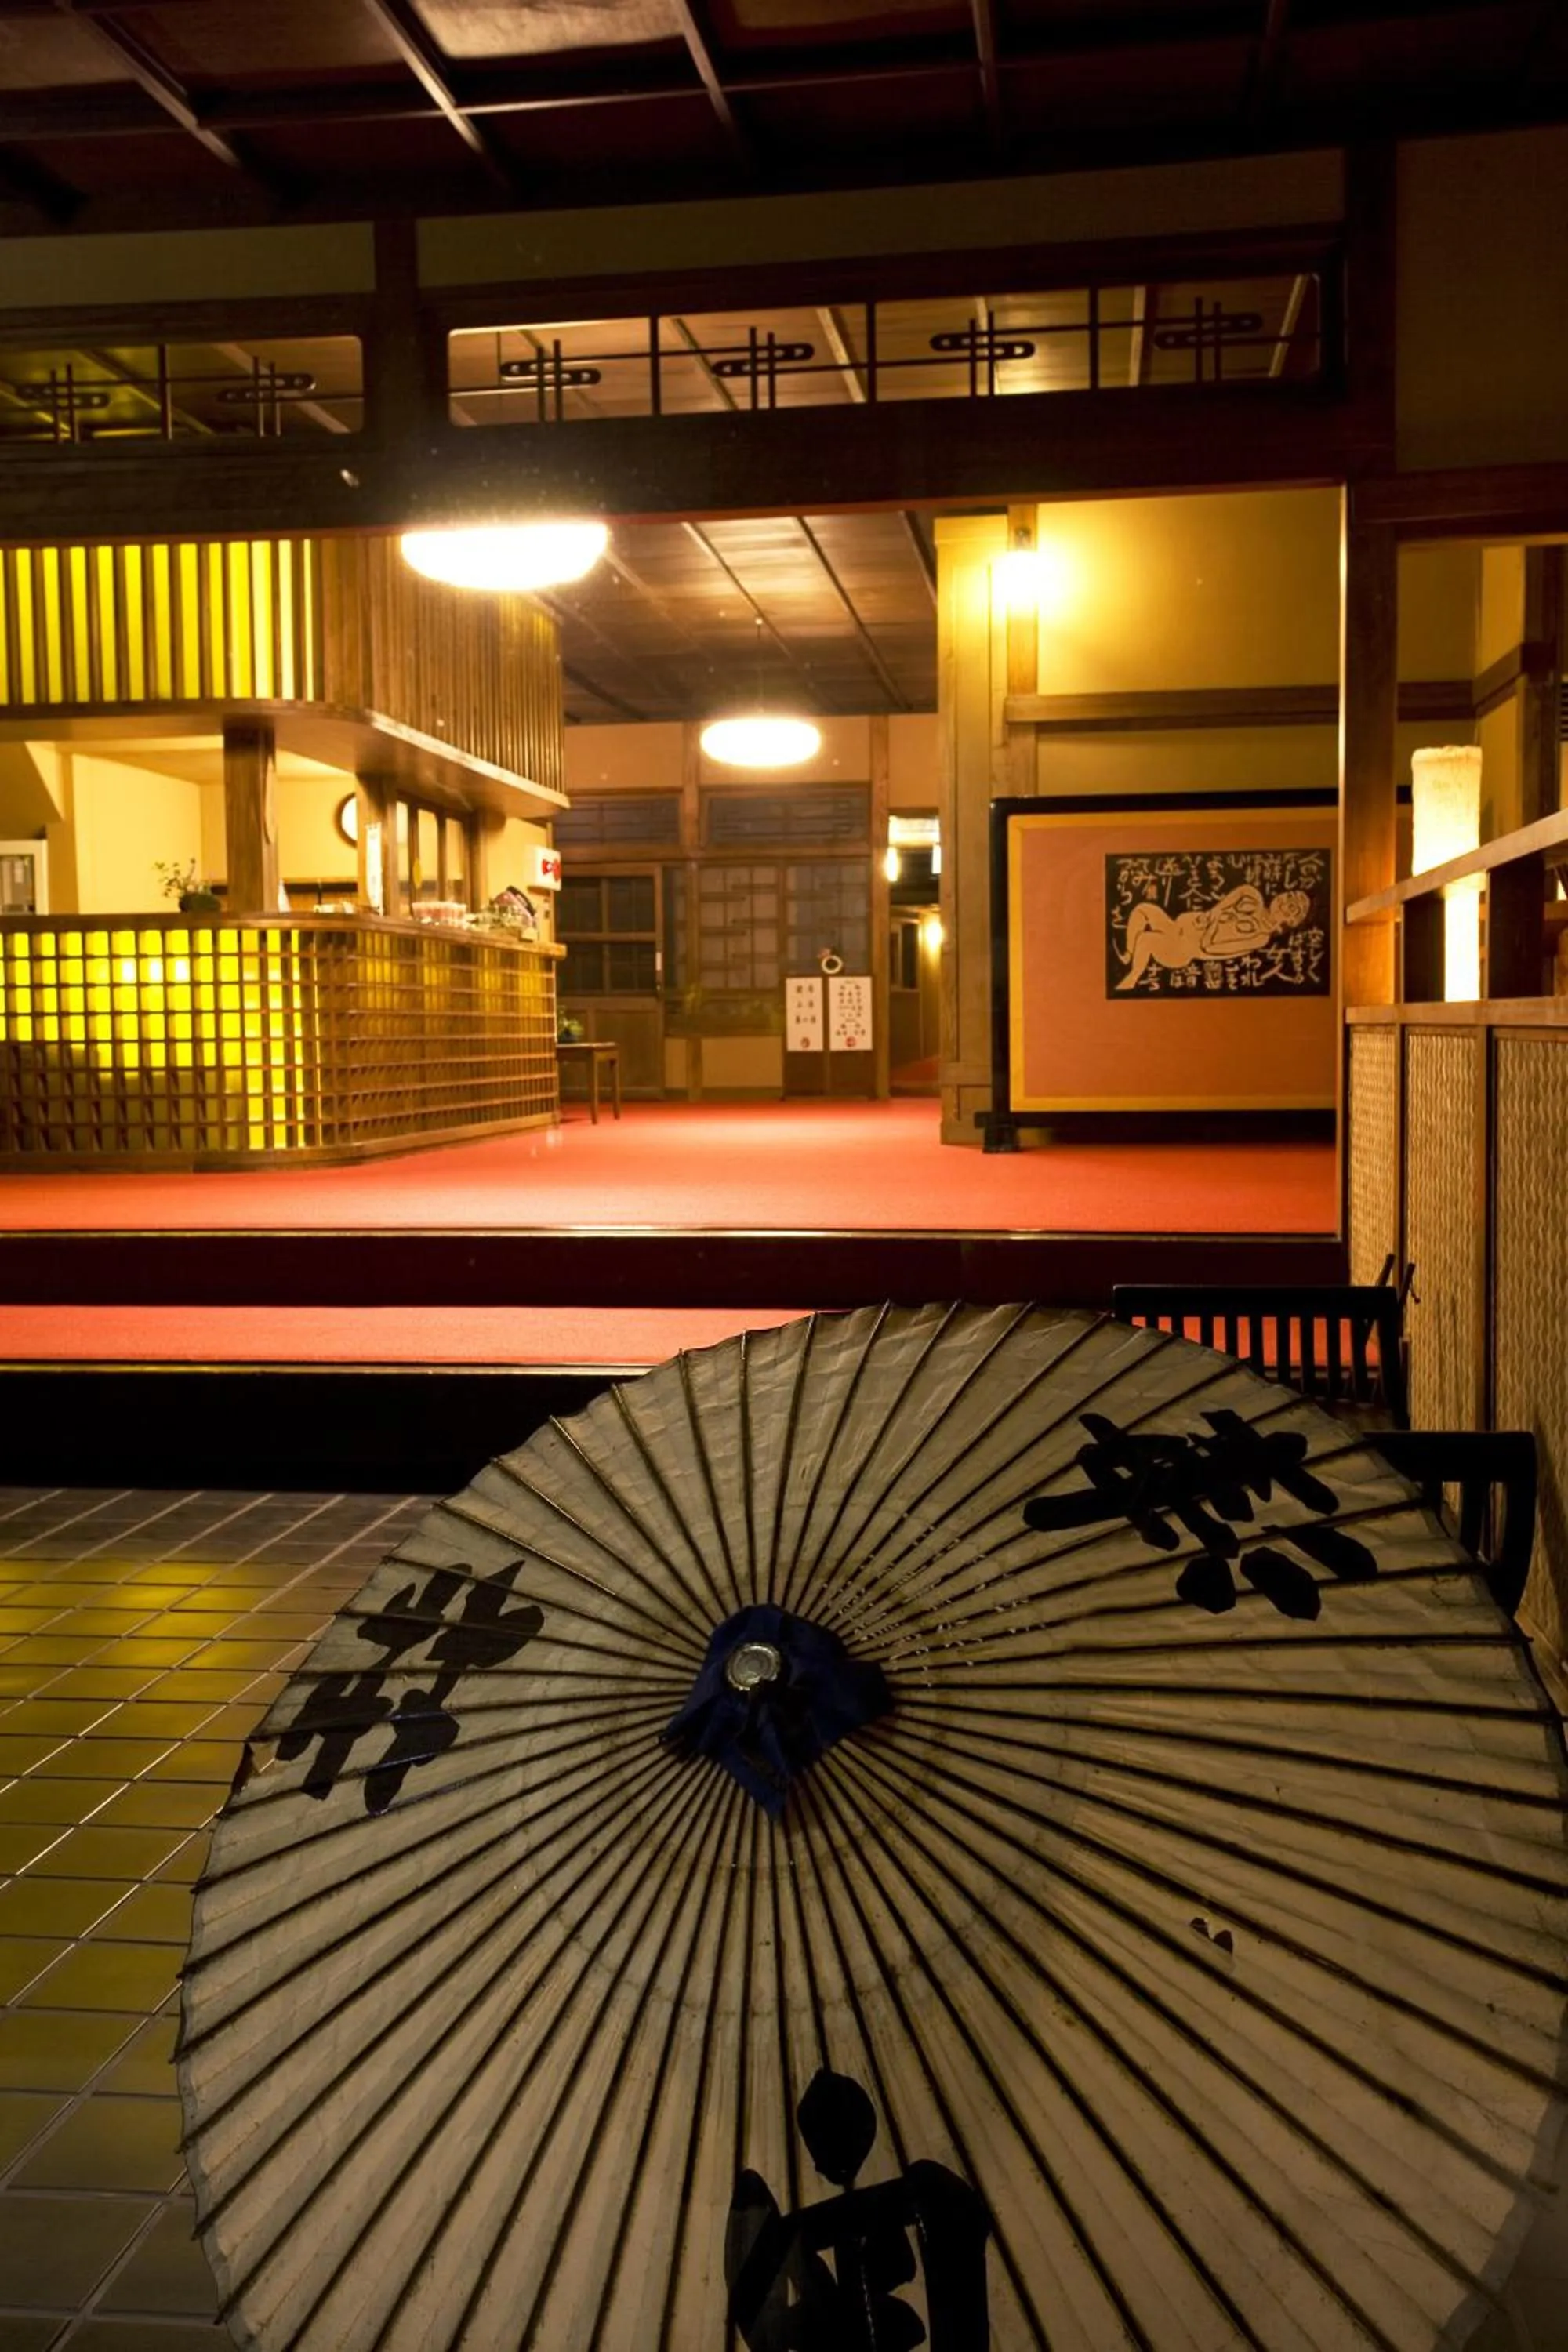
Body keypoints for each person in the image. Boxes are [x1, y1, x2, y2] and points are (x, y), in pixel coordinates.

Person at [1113, 882, 1311, 992]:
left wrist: (1212, 923)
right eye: (1289, 895)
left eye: (1292, 907)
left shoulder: (1260, 937)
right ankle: (1129, 955)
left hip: (1181, 949)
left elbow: (1211, 948)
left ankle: (1133, 977)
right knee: (1142, 910)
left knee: (1147, 940)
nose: (1285, 902)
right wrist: (1216, 913)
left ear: (1291, 921)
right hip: (1176, 928)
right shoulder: (1255, 898)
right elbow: (1240, 892)